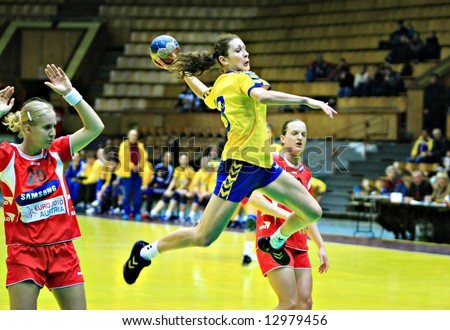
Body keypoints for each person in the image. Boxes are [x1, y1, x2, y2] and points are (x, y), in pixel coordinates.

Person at [123, 33, 336, 285]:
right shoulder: (241, 78)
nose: (246, 54)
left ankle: (274, 241)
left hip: (264, 166)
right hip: (239, 166)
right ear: (224, 59)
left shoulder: (224, 83)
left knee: (312, 211)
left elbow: (205, 95)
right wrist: (307, 100)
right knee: (203, 236)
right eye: (239, 50)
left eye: (245, 49)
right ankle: (145, 252)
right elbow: (263, 97)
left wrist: (185, 72)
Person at [0, 64, 104, 309]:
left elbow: (95, 127)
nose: (53, 132)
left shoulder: (57, 151)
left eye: (54, 126)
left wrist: (71, 95)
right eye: (47, 127)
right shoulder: (7, 156)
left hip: (62, 250)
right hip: (24, 252)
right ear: (27, 129)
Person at [250, 119, 329, 310]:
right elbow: (253, 197)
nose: (300, 137)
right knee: (289, 303)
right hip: (271, 238)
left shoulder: (306, 174)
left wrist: (321, 245)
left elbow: (308, 214)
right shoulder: (271, 162)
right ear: (283, 138)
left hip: (299, 243)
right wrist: (289, 217)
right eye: (294, 133)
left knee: (305, 303)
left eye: (303, 134)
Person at [116, 128, 148, 221]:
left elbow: (144, 157)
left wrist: (139, 166)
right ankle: (126, 212)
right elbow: (122, 158)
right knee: (127, 193)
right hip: (127, 174)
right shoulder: (124, 145)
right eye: (132, 135)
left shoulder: (141, 145)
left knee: (137, 194)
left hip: (138, 174)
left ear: (137, 136)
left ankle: (136, 212)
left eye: (135, 135)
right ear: (128, 136)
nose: (133, 137)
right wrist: (132, 166)